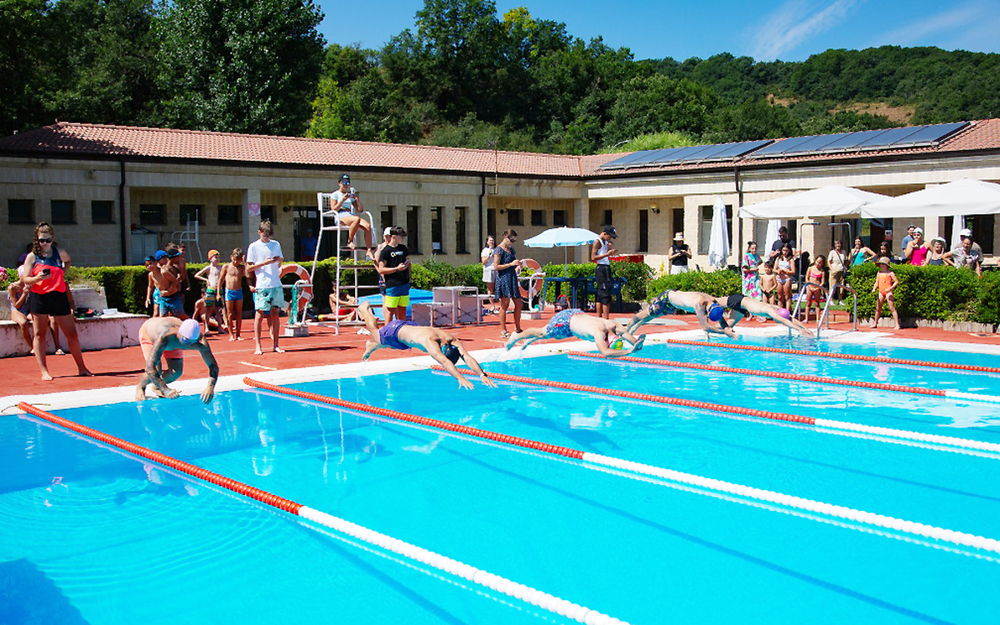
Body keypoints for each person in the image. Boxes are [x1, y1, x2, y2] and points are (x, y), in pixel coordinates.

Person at [358, 302, 497, 390]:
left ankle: (372, 346)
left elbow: (467, 357)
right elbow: (444, 361)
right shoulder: (431, 343)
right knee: (377, 335)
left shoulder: (452, 341)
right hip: (396, 330)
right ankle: (365, 310)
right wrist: (460, 378)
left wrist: (482, 374)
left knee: (399, 346)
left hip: (409, 330)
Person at [20, 223, 92, 380]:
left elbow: (68, 261)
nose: (44, 243)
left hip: (58, 296)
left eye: (47, 240)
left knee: (72, 334)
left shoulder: (60, 252)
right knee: (39, 334)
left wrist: (62, 272)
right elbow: (25, 278)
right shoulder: (32, 256)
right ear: (36, 240)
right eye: (40, 240)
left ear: (52, 238)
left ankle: (82, 367)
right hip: (40, 297)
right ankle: (44, 371)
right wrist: (38, 278)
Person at [134, 317, 219, 403]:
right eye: (185, 341)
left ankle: (156, 386)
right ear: (180, 333)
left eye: (191, 343)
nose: (186, 345)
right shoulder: (165, 337)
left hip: (174, 343)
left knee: (176, 372)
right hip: (149, 335)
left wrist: (210, 387)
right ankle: (141, 387)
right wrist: (166, 390)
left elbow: (213, 365)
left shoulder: (200, 342)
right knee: (156, 370)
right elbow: (150, 367)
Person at [507, 308, 646, 357]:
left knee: (555, 336)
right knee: (542, 333)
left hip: (576, 314)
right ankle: (516, 336)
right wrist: (628, 352)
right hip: (567, 322)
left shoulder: (614, 326)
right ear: (607, 342)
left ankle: (530, 339)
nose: (617, 337)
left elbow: (631, 339)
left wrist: (637, 344)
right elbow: (605, 353)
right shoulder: (600, 333)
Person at [624, 289, 736, 339]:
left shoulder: (713, 302)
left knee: (653, 316)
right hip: (667, 299)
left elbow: (721, 319)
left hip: (674, 305)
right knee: (645, 314)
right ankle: (627, 328)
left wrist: (727, 328)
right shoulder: (699, 305)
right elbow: (706, 327)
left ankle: (637, 326)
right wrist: (725, 333)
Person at [246, 219, 284, 354]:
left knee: (275, 313)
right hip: (262, 284)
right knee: (259, 314)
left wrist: (279, 260)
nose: (267, 238)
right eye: (265, 235)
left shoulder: (276, 244)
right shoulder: (253, 246)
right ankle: (258, 346)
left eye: (269, 235)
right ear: (259, 232)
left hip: (275, 284)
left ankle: (276, 344)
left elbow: (280, 261)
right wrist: (263, 263)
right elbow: (249, 268)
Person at [719, 292, 815, 338]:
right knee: (713, 301)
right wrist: (799, 330)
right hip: (739, 300)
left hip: (742, 307)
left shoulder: (777, 309)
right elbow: (784, 320)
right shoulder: (771, 311)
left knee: (727, 327)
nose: (780, 321)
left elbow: (790, 318)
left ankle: (708, 332)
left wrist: (804, 328)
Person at [329, 174, 374, 260]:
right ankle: (349, 241)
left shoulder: (350, 196)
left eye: (347, 183)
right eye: (344, 182)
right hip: (340, 215)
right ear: (339, 183)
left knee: (367, 226)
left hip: (350, 215)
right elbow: (334, 209)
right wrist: (342, 200)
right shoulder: (335, 194)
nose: (345, 185)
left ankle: (369, 250)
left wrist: (356, 200)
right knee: (356, 219)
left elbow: (360, 210)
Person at [493, 229, 523, 339]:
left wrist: (517, 264)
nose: (512, 242)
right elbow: (496, 267)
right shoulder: (498, 250)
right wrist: (510, 264)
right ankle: (503, 330)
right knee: (504, 305)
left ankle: (518, 328)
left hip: (512, 278)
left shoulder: (511, 249)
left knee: (518, 303)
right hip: (503, 278)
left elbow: (513, 262)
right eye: (511, 240)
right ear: (505, 236)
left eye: (514, 240)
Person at [377, 225, 411, 323]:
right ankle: (387, 332)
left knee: (402, 310)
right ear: (394, 237)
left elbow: (408, 262)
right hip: (392, 285)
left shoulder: (403, 248)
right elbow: (381, 269)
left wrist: (408, 274)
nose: (403, 239)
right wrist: (397, 269)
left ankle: (402, 332)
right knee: (390, 311)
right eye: (401, 236)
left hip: (404, 283)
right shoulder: (386, 251)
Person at [218, 248, 246, 341]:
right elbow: (220, 280)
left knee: (238, 314)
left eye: (238, 260)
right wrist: (218, 293)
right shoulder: (226, 266)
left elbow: (248, 275)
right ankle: (231, 334)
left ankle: (238, 334)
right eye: (234, 259)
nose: (235, 262)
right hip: (229, 292)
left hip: (238, 291)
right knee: (229, 314)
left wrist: (244, 262)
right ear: (231, 257)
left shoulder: (241, 267)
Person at [591, 225, 618, 319]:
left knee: (600, 293)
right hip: (602, 268)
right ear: (605, 234)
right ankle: (605, 318)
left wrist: (609, 250)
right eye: (609, 236)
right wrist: (607, 254)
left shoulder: (605, 242)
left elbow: (604, 254)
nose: (610, 238)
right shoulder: (597, 242)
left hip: (605, 266)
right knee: (605, 293)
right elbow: (593, 257)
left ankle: (600, 317)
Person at [194, 249, 223, 333]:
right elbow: (197, 275)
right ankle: (206, 327)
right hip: (211, 289)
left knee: (218, 310)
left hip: (218, 290)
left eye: (218, 257)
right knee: (208, 309)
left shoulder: (220, 267)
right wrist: (206, 279)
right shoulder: (209, 268)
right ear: (210, 258)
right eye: (215, 257)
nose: (217, 259)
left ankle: (220, 328)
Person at [7, 266, 33, 351]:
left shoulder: (31, 285)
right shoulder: (13, 287)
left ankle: (38, 344)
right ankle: (32, 347)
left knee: (40, 321)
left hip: (28, 311)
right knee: (23, 323)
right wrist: (24, 294)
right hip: (16, 311)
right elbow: (16, 305)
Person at [872, 257, 901, 329]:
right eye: (881, 264)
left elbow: (896, 282)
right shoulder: (879, 273)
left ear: (887, 265)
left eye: (883, 264)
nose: (882, 265)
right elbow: (877, 282)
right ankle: (875, 323)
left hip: (888, 292)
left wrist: (890, 288)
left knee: (892, 308)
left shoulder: (890, 273)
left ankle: (897, 324)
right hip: (881, 291)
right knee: (878, 308)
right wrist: (874, 288)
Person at [803, 255, 827, 322]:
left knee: (817, 303)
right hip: (810, 287)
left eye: (820, 263)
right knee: (808, 303)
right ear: (815, 261)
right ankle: (806, 318)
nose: (818, 264)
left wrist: (819, 287)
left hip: (817, 288)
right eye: (817, 262)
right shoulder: (810, 268)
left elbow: (823, 281)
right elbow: (806, 278)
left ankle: (817, 319)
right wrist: (808, 286)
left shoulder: (822, 271)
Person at [774, 243, 795, 310]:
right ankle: (779, 312)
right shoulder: (778, 258)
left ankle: (788, 312)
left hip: (786, 279)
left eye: (786, 250)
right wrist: (778, 271)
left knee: (787, 297)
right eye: (783, 250)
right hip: (779, 279)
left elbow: (793, 271)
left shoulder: (790, 260)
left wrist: (786, 271)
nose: (785, 252)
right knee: (780, 297)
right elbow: (774, 269)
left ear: (789, 251)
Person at [827, 239, 847, 304]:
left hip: (841, 271)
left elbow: (845, 260)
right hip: (834, 271)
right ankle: (831, 300)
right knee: (833, 286)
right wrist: (832, 269)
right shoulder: (832, 252)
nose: (838, 245)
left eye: (839, 243)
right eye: (836, 244)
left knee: (841, 286)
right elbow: (829, 261)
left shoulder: (843, 252)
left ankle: (840, 300)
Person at [480, 235, 496, 312]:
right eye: (490, 240)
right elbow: (483, 262)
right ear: (487, 242)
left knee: (499, 287)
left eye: (493, 240)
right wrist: (489, 255)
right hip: (488, 270)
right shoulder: (485, 250)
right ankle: (492, 305)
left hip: (496, 269)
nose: (492, 242)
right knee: (490, 288)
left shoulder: (497, 249)